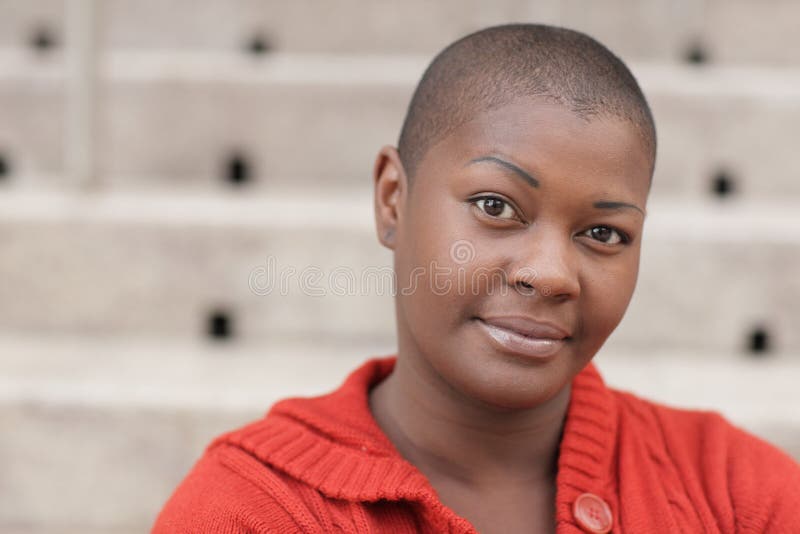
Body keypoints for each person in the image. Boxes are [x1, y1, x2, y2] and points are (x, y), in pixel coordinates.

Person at [152, 24, 800, 533]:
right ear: (392, 200)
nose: (550, 276)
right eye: (496, 207)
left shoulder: (738, 495)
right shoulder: (251, 510)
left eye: (603, 234)